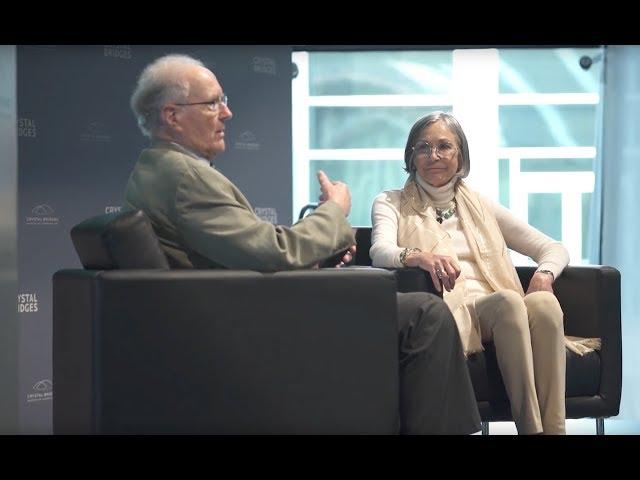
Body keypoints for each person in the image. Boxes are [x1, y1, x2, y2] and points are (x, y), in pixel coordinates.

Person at [122, 54, 481, 435]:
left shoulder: (157, 170)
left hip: (232, 310)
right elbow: (276, 252)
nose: (226, 113)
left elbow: (248, 251)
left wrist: (319, 253)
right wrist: (334, 212)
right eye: (212, 103)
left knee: (416, 310)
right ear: (172, 115)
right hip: (251, 326)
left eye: (224, 100)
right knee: (425, 314)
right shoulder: (184, 177)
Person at [370, 111, 570, 435]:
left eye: (443, 146)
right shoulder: (390, 202)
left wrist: (544, 275)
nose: (433, 156)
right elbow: (380, 252)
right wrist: (417, 256)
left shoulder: (480, 204)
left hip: (504, 308)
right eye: (423, 148)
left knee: (545, 305)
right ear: (411, 156)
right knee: (508, 301)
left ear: (460, 155)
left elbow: (553, 248)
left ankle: (556, 430)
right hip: (454, 311)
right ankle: (531, 430)